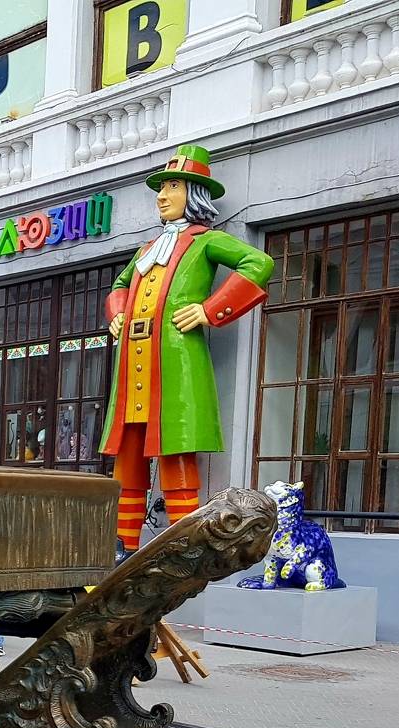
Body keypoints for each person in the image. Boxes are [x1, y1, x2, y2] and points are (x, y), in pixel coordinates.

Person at [101, 143, 273, 549]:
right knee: (128, 459)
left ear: (193, 194)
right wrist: (118, 313)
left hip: (175, 368)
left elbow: (259, 263)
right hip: (132, 373)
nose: (162, 196)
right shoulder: (146, 250)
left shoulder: (205, 241)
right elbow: (120, 285)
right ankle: (122, 545)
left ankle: (185, 546)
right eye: (162, 188)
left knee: (176, 453)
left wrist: (210, 310)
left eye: (172, 186)